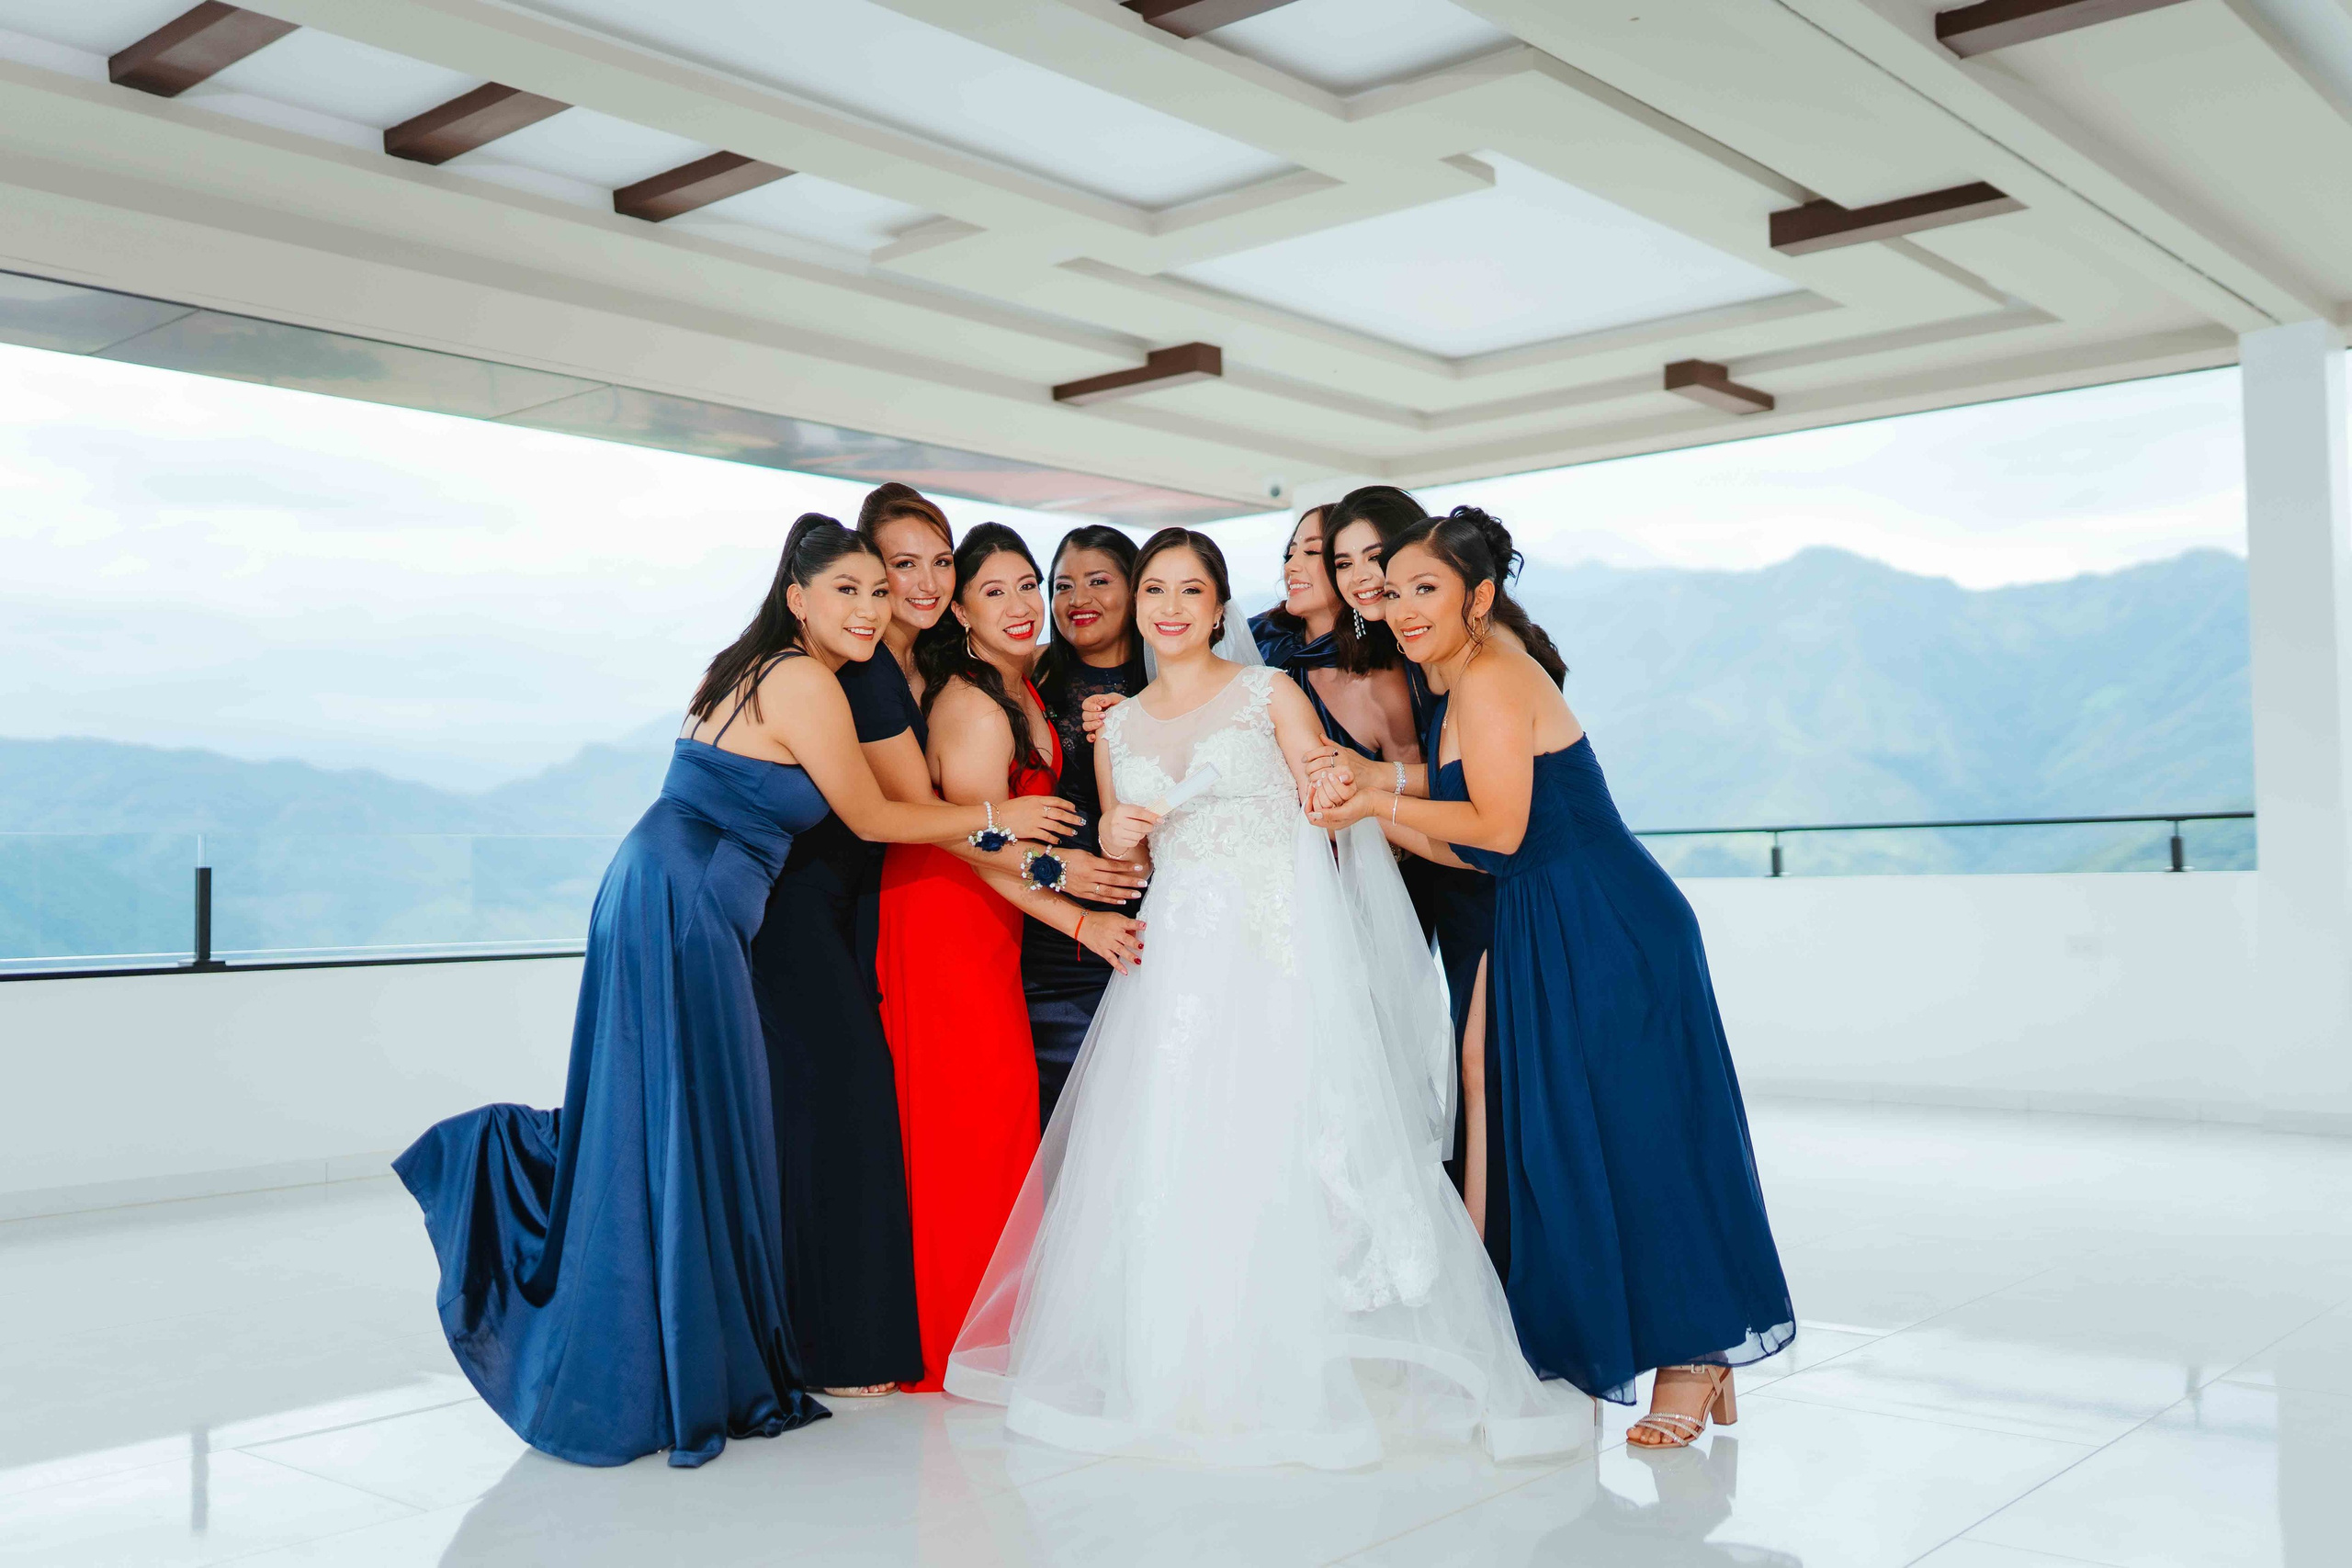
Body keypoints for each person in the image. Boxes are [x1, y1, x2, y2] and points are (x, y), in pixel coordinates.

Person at [393, 515, 1075, 1468]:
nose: (873, 608)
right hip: (692, 893)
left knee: (688, 1109)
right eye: (851, 590)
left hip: (666, 881)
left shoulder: (750, 664)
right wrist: (1002, 818)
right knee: (691, 1109)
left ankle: (692, 1322)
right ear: (796, 599)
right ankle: (574, 1243)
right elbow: (876, 815)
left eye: (880, 593)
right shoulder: (801, 679)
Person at [945, 528, 1590, 1468]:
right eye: (1154, 587)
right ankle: (1196, 1365)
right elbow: (1130, 861)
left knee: (1291, 1133)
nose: (1169, 605)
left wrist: (1328, 794)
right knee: (1185, 1143)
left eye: (1189, 589)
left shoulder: (1268, 693)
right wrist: (1119, 831)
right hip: (1177, 966)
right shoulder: (1116, 727)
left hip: (1281, 948)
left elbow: (1326, 801)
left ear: (1217, 607)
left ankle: (1307, 1348)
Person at [1311, 506, 1794, 1450]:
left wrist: (1375, 789)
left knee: (1645, 1142)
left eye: (1427, 589)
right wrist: (1366, 811)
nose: (1404, 607)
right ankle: (1619, 1341)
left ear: (1478, 598)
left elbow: (1492, 828)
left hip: (1608, 926)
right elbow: (1482, 850)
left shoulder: (1492, 678)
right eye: (1395, 589)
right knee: (1578, 1140)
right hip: (1543, 919)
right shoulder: (1450, 683)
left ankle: (1696, 1359)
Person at [877, 523, 1143, 1393]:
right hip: (950, 917)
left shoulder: (1027, 688)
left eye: (1030, 585)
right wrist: (1077, 918)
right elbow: (968, 840)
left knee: (997, 1130)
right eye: (995, 591)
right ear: (961, 609)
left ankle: (996, 1324)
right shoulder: (972, 701)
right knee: (966, 1128)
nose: (1026, 604)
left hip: (996, 922)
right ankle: (955, 1333)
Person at [1026, 525, 1152, 1125]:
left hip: (1157, 933)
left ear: (1135, 589)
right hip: (1050, 933)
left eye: (1099, 580)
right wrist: (1054, 872)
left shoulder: (1173, 682)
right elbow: (984, 831)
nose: (1080, 597)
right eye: (1063, 584)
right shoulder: (1030, 682)